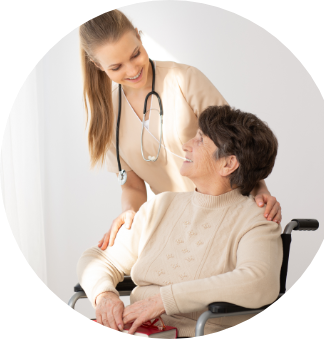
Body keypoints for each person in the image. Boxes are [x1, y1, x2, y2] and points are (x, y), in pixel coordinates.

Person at [79, 9, 282, 251]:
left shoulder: (184, 79)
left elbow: (239, 142)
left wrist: (260, 190)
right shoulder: (108, 116)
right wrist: (130, 214)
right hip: (180, 227)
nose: (132, 70)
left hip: (229, 214)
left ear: (138, 36)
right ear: (97, 65)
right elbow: (132, 186)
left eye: (136, 54)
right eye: (116, 67)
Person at [77, 105, 283, 337]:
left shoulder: (257, 218)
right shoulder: (161, 206)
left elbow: (259, 282)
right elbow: (97, 259)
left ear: (228, 164)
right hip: (139, 330)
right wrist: (104, 295)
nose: (186, 145)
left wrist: (165, 300)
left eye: (200, 140)